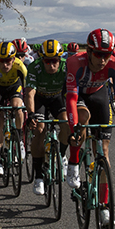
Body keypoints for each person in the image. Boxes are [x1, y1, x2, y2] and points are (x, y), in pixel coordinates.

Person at [64, 29, 115, 227]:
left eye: (107, 54)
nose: (102, 59)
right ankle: (74, 163)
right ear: (89, 51)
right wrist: (74, 127)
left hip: (99, 95)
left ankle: (104, 206)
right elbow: (72, 98)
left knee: (104, 153)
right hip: (79, 95)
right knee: (82, 118)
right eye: (98, 54)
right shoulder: (75, 63)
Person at [25, 39, 70, 196]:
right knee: (40, 129)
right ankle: (38, 176)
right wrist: (30, 114)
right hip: (40, 99)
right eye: (47, 61)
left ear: (60, 59)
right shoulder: (34, 67)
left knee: (66, 125)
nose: (52, 65)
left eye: (55, 61)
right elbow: (30, 93)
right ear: (41, 59)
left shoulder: (66, 66)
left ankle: (62, 155)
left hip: (58, 98)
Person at [0, 41, 28, 177]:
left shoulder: (20, 66)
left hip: (14, 87)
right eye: (2, 61)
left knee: (18, 108)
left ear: (14, 59)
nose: (5, 64)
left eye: (8, 61)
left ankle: (19, 139)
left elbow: (27, 90)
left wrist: (28, 106)